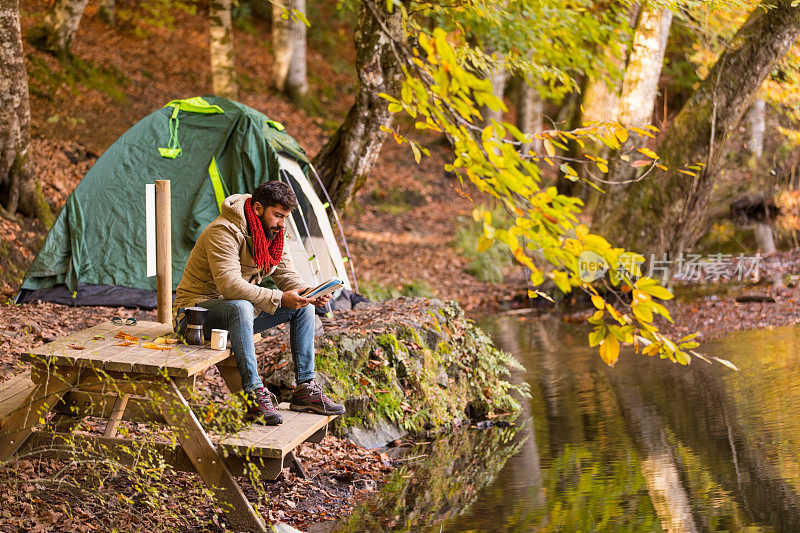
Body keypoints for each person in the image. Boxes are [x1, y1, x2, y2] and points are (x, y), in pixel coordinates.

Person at [174, 181, 346, 425]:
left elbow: (287, 277)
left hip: (235, 319)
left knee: (302, 306)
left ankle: (305, 388)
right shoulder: (223, 231)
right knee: (242, 305)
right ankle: (254, 394)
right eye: (277, 215)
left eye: (285, 217)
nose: (281, 223)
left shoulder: (273, 235)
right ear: (256, 209)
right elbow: (230, 286)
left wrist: (309, 293)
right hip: (194, 319)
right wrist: (279, 298)